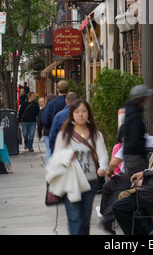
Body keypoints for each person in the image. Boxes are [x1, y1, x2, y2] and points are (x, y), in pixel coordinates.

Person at [46, 99, 109, 235]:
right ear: (72, 114)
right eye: (77, 111)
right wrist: (67, 157)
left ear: (88, 114)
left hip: (90, 181)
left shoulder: (96, 134)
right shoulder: (64, 134)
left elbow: (102, 154)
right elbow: (56, 156)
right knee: (75, 218)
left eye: (84, 111)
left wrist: (103, 168)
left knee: (85, 219)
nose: (81, 114)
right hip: (71, 182)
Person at [99, 120, 153, 235]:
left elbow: (114, 162)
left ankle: (107, 217)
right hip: (146, 179)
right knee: (125, 193)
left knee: (109, 187)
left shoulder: (132, 142)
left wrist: (109, 171)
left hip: (135, 178)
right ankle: (147, 227)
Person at [123, 84, 153, 176]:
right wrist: (142, 155)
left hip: (130, 155)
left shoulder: (130, 112)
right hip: (135, 156)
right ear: (142, 98)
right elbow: (135, 137)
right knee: (138, 183)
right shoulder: (135, 115)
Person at [38, 94, 56, 163]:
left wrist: (39, 134)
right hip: (54, 131)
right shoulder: (56, 109)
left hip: (46, 132)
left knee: (49, 149)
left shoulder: (42, 110)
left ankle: (48, 165)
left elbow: (39, 123)